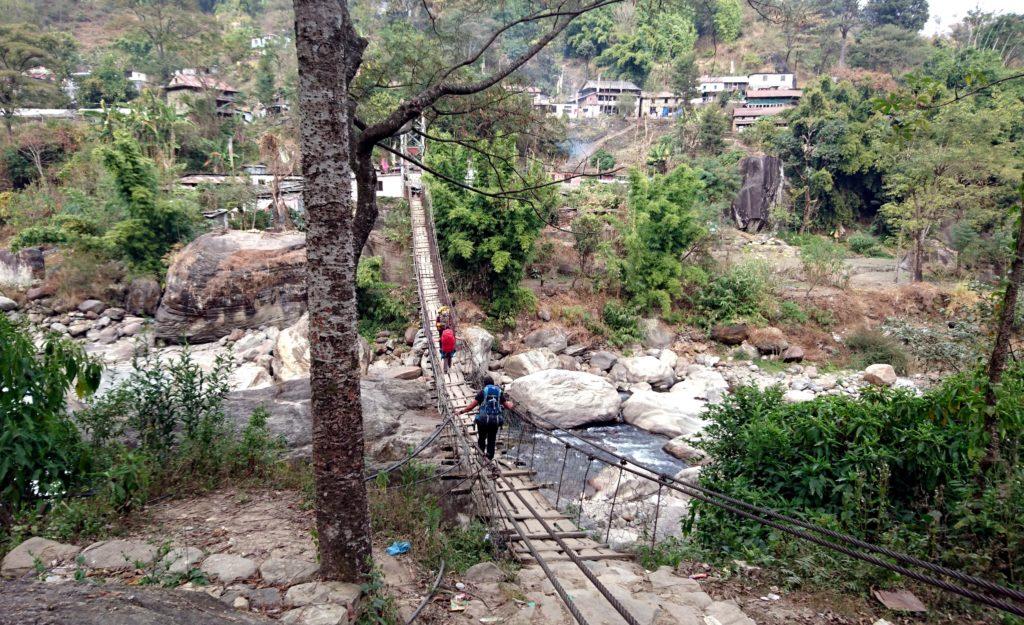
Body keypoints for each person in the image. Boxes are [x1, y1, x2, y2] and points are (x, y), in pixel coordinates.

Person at [459, 375, 514, 460]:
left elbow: (471, 407)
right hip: (495, 421)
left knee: (482, 439)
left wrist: (461, 412)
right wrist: (512, 405)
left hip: (483, 421)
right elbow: (507, 406)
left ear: (484, 384)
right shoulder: (499, 392)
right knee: (491, 441)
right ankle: (489, 459)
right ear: (493, 383)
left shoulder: (483, 392)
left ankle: (481, 457)